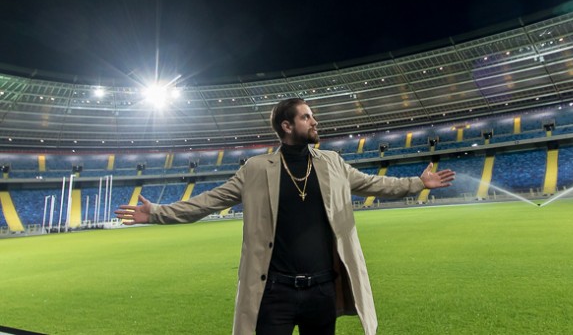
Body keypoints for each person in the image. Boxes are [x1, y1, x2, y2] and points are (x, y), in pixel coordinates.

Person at [115, 97, 455, 335]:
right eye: (307, 117)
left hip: (323, 290)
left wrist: (417, 183)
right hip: (274, 293)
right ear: (287, 125)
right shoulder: (256, 169)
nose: (314, 121)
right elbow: (208, 201)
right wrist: (157, 213)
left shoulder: (332, 163)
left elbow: (374, 184)